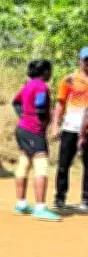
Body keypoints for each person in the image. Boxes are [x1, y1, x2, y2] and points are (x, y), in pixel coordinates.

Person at [11, 59, 60, 221]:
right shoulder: (41, 86)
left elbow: (16, 102)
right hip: (33, 131)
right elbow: (39, 104)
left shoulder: (28, 85)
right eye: (50, 70)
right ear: (45, 72)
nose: (51, 73)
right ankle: (40, 207)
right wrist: (42, 119)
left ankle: (21, 204)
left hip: (22, 129)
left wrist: (23, 116)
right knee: (41, 165)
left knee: (24, 162)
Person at [52, 47, 88, 211]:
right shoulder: (69, 80)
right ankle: (60, 198)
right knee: (63, 164)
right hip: (70, 127)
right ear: (80, 61)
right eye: (85, 59)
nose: (87, 63)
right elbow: (60, 103)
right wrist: (55, 125)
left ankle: (86, 199)